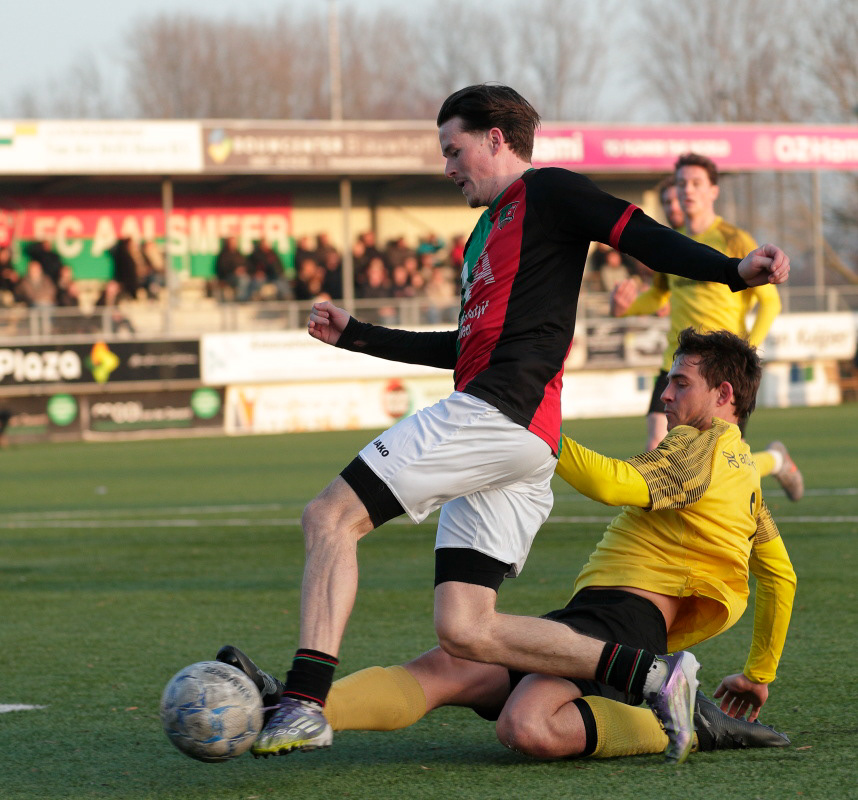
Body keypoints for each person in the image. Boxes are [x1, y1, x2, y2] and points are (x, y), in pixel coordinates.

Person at [250, 84, 790, 764]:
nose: (448, 167)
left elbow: (637, 232)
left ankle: (302, 700)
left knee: (329, 517)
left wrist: (733, 272)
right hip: (517, 440)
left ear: (497, 138)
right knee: (467, 631)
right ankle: (654, 675)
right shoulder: (484, 235)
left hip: (498, 415)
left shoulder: (551, 193)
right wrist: (360, 336)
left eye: (454, 150)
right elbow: (466, 343)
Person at [221, 328, 795, 761]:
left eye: (679, 382)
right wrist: (759, 674)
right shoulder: (743, 480)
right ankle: (298, 704)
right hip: (594, 617)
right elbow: (780, 576)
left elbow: (616, 483)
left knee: (525, 725)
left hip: (627, 625)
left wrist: (531, 433)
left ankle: (688, 719)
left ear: (723, 395)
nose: (665, 396)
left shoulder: (703, 446)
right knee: (448, 665)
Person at [611, 154, 804, 501]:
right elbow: (657, 297)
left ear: (713, 190)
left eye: (697, 183)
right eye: (682, 183)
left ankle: (776, 460)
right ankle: (655, 535)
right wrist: (625, 309)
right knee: (658, 443)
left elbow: (770, 302)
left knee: (729, 464)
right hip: (676, 366)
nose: (688, 190)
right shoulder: (670, 243)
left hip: (722, 370)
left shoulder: (734, 239)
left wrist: (747, 351)